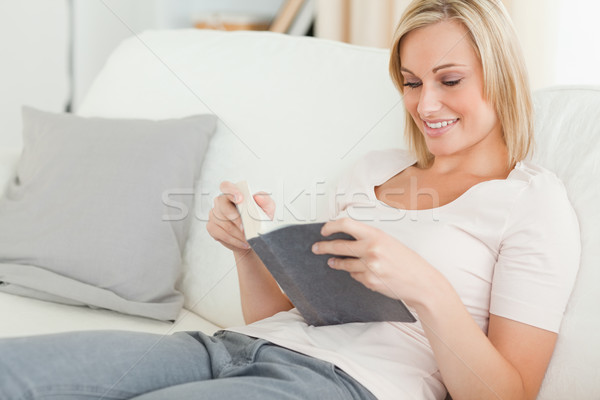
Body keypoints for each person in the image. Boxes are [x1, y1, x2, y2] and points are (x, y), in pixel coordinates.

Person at [0, 0, 580, 399]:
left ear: (499, 77)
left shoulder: (531, 203)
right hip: (235, 348)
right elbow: (299, 315)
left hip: (345, 385)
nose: (426, 104)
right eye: (410, 81)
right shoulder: (371, 170)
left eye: (449, 80)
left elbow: (507, 393)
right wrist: (249, 249)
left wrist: (424, 286)